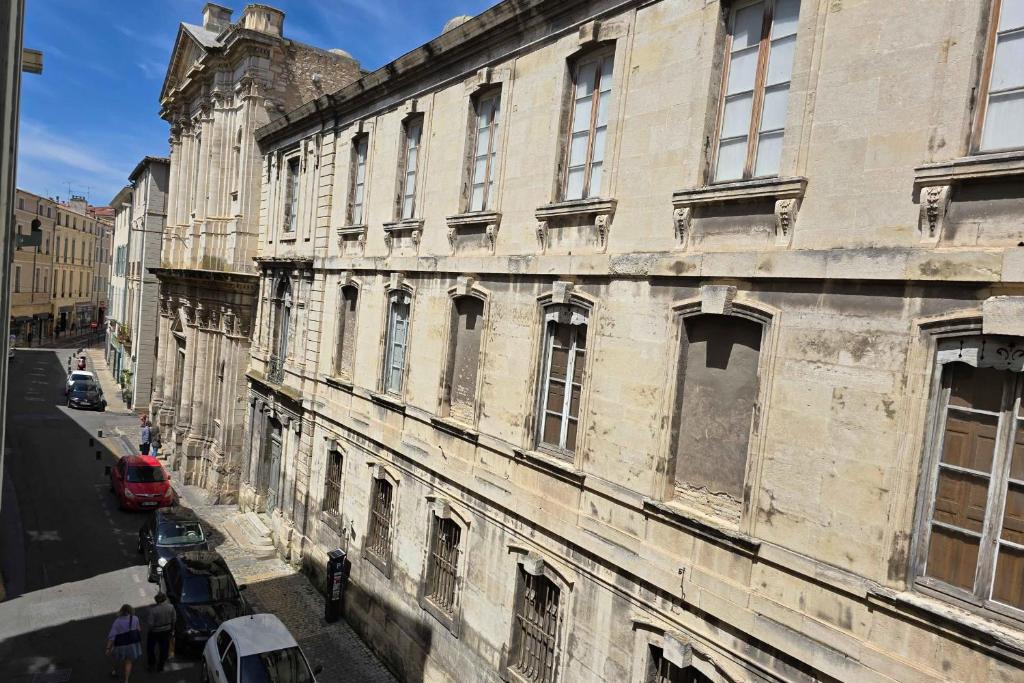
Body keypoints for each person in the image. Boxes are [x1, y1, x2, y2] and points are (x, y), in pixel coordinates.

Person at [106, 604, 142, 682]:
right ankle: (126, 680)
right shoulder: (135, 618)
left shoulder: (117, 621)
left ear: (121, 611)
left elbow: (112, 636)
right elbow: (138, 629)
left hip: (120, 644)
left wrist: (108, 648)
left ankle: (114, 671)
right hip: (132, 644)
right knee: (128, 662)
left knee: (117, 659)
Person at [144, 593, 176, 672]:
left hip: (155, 631)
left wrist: (150, 630)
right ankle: (161, 665)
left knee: (150, 648)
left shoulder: (153, 610)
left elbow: (150, 624)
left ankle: (152, 664)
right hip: (166, 630)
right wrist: (172, 629)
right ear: (164, 599)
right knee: (164, 648)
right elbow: (174, 619)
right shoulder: (171, 607)